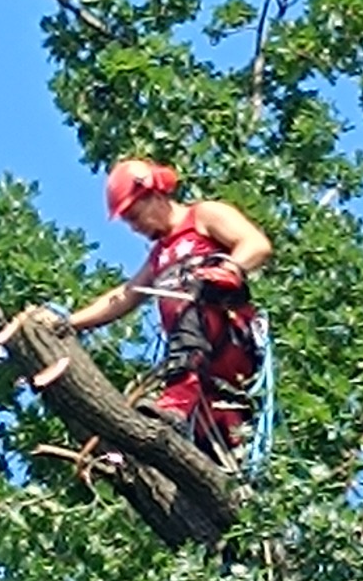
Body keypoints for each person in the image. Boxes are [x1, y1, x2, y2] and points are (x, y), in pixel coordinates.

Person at [67, 159, 273, 459]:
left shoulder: (204, 216)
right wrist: (70, 323)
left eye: (136, 217)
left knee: (191, 299)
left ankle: (176, 402)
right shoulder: (159, 257)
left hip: (229, 341)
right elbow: (124, 296)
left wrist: (226, 270)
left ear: (154, 195)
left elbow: (257, 244)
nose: (136, 228)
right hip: (203, 378)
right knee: (214, 456)